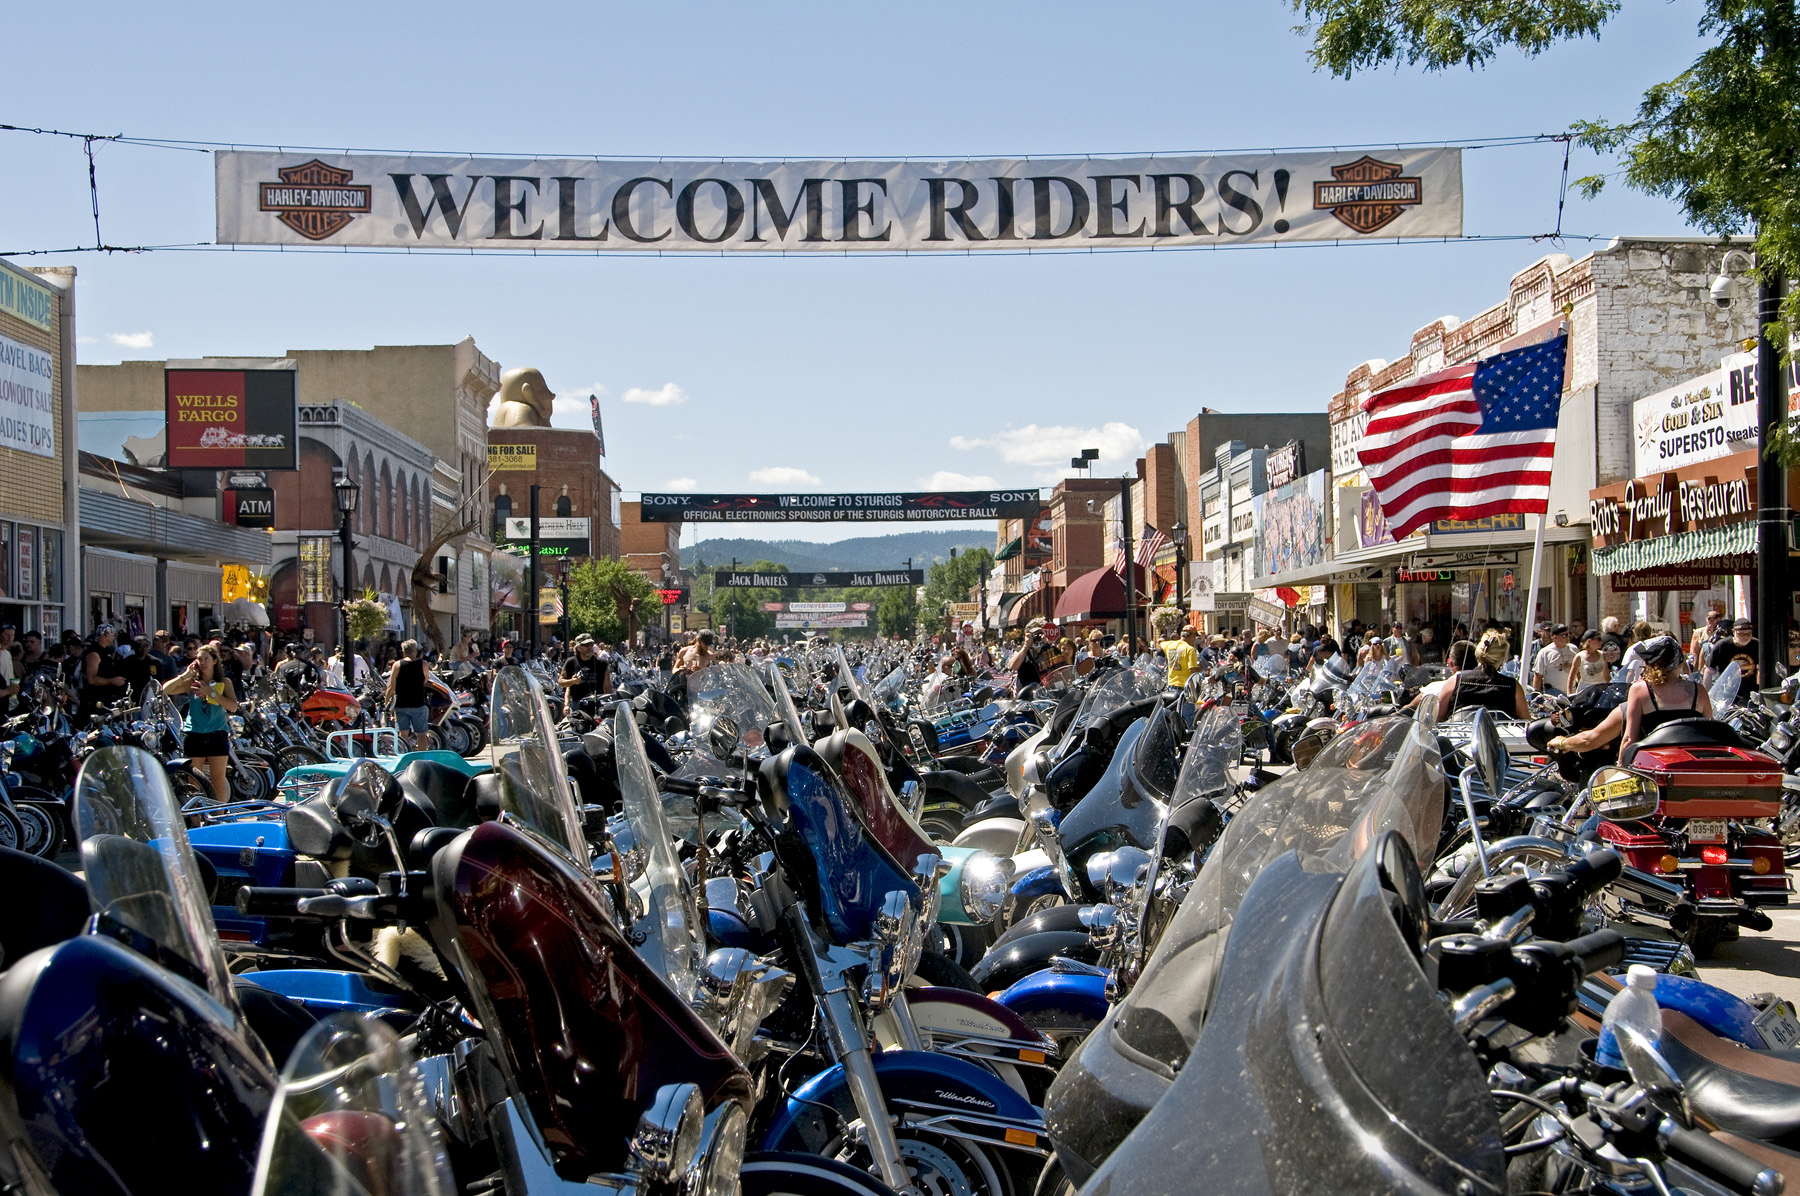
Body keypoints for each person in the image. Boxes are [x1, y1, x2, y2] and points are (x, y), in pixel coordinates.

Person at [1550, 635, 1713, 764]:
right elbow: (1709, 732)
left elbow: (1629, 737)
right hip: (1688, 765)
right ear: (1678, 661)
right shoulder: (1699, 690)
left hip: (1652, 766)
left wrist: (1622, 768)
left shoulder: (1641, 690)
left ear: (1650, 664)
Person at [162, 643, 239, 800]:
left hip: (217, 734)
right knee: (193, 780)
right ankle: (196, 817)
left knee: (218, 780)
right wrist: (185, 675)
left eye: (206, 659)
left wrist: (211, 693)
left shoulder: (224, 682)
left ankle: (219, 815)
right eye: (199, 659)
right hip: (195, 734)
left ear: (215, 661)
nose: (202, 663)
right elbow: (165, 690)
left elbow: (233, 707)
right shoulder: (192, 683)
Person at [1436, 629, 1531, 722]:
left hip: (1460, 734)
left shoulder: (1455, 681)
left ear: (1478, 652)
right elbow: (1525, 721)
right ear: (1502, 659)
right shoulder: (1513, 686)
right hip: (1502, 736)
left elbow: (1439, 718)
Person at [79, 624, 131, 725]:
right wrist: (112, 681)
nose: (113, 638)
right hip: (96, 703)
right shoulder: (94, 653)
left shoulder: (105, 652)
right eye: (112, 635)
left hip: (108, 701)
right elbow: (91, 679)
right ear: (104, 635)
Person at [385, 639, 430, 749]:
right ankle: (421, 758)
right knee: (422, 734)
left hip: (401, 704)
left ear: (403, 651)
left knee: (403, 733)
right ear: (415, 651)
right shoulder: (423, 664)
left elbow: (391, 686)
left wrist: (386, 701)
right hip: (418, 703)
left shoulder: (397, 665)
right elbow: (425, 680)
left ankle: (404, 754)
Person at [560, 634, 612, 704]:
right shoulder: (571, 662)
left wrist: (609, 703)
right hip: (577, 705)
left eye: (591, 645)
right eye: (586, 645)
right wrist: (572, 681)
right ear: (578, 648)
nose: (590, 648)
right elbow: (560, 682)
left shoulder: (602, 663)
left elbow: (607, 687)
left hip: (597, 704)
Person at [1707, 618, 1759, 688]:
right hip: (1726, 691)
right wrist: (1706, 694)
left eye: (1748, 633)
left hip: (1750, 691)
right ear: (1733, 632)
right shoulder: (1722, 646)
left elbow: (1761, 669)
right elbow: (1709, 671)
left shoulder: (1756, 645)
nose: (1745, 637)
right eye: (1741, 634)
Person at [1009, 620, 1055, 689]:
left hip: (1044, 692)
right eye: (1035, 634)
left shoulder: (1046, 649)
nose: (1038, 636)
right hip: (1025, 692)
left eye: (1040, 633)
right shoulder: (1021, 650)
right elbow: (1013, 666)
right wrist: (1026, 646)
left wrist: (1047, 645)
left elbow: (1057, 666)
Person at [1532, 624, 1577, 695]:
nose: (1568, 637)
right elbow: (1538, 675)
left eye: (1568, 634)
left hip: (1572, 692)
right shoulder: (1545, 652)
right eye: (1564, 635)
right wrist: (1536, 694)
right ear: (1554, 637)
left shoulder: (1574, 649)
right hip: (1553, 694)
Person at [1568, 629, 1610, 694]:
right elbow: (1571, 677)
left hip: (1600, 690)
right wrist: (1569, 693)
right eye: (1598, 639)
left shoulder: (1603, 655)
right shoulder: (1579, 657)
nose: (1601, 641)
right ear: (1589, 641)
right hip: (1585, 691)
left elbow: (1606, 676)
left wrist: (1609, 688)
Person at [1163, 624, 1200, 689]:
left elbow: (1161, 644)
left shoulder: (1169, 645)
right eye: (1195, 637)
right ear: (1192, 636)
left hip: (1171, 685)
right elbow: (1193, 671)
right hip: (1184, 686)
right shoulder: (1189, 649)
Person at [1689, 607, 1725, 671]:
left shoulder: (1723, 632)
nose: (1711, 622)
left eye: (1714, 620)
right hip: (1702, 664)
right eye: (1709, 619)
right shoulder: (1699, 632)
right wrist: (1695, 667)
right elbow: (1694, 651)